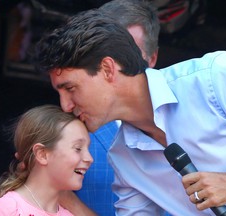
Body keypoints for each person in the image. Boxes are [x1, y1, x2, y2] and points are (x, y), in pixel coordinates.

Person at [34, 9, 226, 216]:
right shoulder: (122, 158)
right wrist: (61, 197)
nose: (65, 105)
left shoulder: (216, 78)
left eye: (70, 88)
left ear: (108, 69)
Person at [68, 0, 160, 215]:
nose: (113, 67)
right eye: (104, 55)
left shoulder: (193, 116)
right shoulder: (66, 129)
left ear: (152, 58)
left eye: (128, 53)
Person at [0, 105, 95, 215]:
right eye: (78, 148)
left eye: (87, 149)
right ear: (42, 154)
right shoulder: (9, 209)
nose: (90, 159)